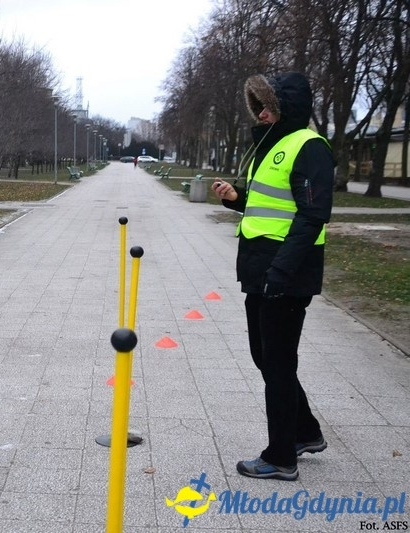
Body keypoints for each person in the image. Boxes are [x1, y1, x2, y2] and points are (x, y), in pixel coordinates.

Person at [211, 72, 334, 481]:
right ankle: (306, 432)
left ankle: (281, 456)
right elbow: (270, 205)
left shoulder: (309, 147)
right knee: (266, 357)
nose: (261, 113)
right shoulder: (275, 146)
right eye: (258, 106)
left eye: (268, 106)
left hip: (285, 274)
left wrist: (281, 272)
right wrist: (236, 198)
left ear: (285, 110)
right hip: (262, 270)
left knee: (278, 364)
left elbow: (313, 215)